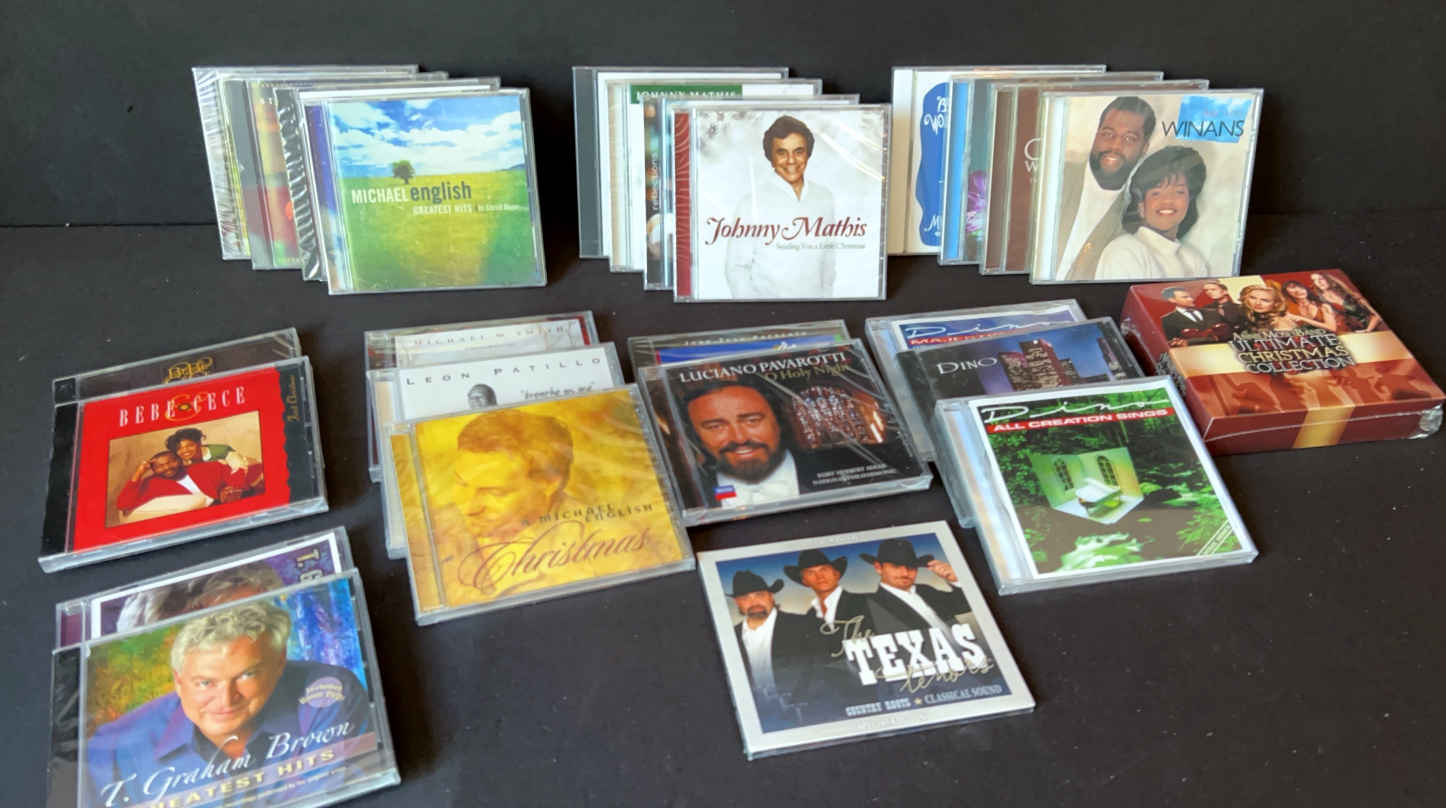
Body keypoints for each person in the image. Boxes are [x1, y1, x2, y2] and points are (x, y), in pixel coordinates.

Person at [84, 601, 371, 808]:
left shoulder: (326, 694)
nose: (226, 700)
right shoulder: (114, 748)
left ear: (279, 661)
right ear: (178, 681)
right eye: (205, 683)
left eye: (247, 675)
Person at [723, 115, 837, 298]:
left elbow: (828, 260)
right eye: (782, 153)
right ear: (771, 157)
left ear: (808, 153)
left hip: (816, 307)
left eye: (798, 151)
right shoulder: (750, 203)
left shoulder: (824, 197)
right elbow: (737, 269)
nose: (791, 160)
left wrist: (825, 301)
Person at [1055, 96, 1156, 281]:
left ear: (1144, 148)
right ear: (1096, 135)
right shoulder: (1054, 175)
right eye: (1108, 134)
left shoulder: (1137, 217)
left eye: (1129, 138)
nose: (1115, 146)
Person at [683, 381, 811, 508]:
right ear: (695, 436)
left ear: (780, 422)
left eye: (752, 420)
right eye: (715, 427)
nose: (740, 438)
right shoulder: (687, 496)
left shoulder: (822, 467)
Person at [727, 569, 835, 721]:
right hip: (756, 717)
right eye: (745, 598)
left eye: (759, 595)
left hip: (808, 714)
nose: (754, 602)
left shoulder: (807, 625)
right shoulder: (729, 637)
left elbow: (827, 672)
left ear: (771, 596)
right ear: (737, 602)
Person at [1095, 146, 1210, 281]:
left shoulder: (1194, 262)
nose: (1168, 200)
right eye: (1156, 193)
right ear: (1141, 205)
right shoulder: (1124, 251)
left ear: (1189, 201)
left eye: (1179, 192)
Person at [859, 539, 968, 637]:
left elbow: (964, 605)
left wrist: (955, 579)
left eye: (911, 566)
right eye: (896, 566)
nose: (905, 573)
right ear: (878, 568)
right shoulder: (873, 603)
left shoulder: (925, 590)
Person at [115, 451, 257, 520]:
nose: (166, 468)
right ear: (153, 470)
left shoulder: (205, 468)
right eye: (159, 466)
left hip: (227, 509)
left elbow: (234, 474)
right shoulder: (151, 484)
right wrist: (139, 472)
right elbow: (123, 504)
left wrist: (231, 488)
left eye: (171, 462)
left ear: (180, 461)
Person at [783, 549, 870, 635]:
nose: (820, 576)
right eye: (811, 573)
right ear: (805, 581)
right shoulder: (811, 615)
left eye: (824, 570)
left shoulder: (866, 601)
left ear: (836, 574)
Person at [1310, 271, 1382, 332]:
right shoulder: (1321, 301)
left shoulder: (1352, 296)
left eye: (1321, 278)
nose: (1318, 282)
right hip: (1345, 334)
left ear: (1329, 279)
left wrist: (1367, 330)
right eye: (1314, 280)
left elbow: (1377, 316)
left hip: (1369, 332)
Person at [1159, 286, 1228, 346]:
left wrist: (1189, 342)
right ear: (1172, 300)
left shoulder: (1212, 312)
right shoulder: (1167, 320)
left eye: (1190, 296)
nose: (1191, 299)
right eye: (1185, 297)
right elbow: (1174, 343)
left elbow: (1226, 335)